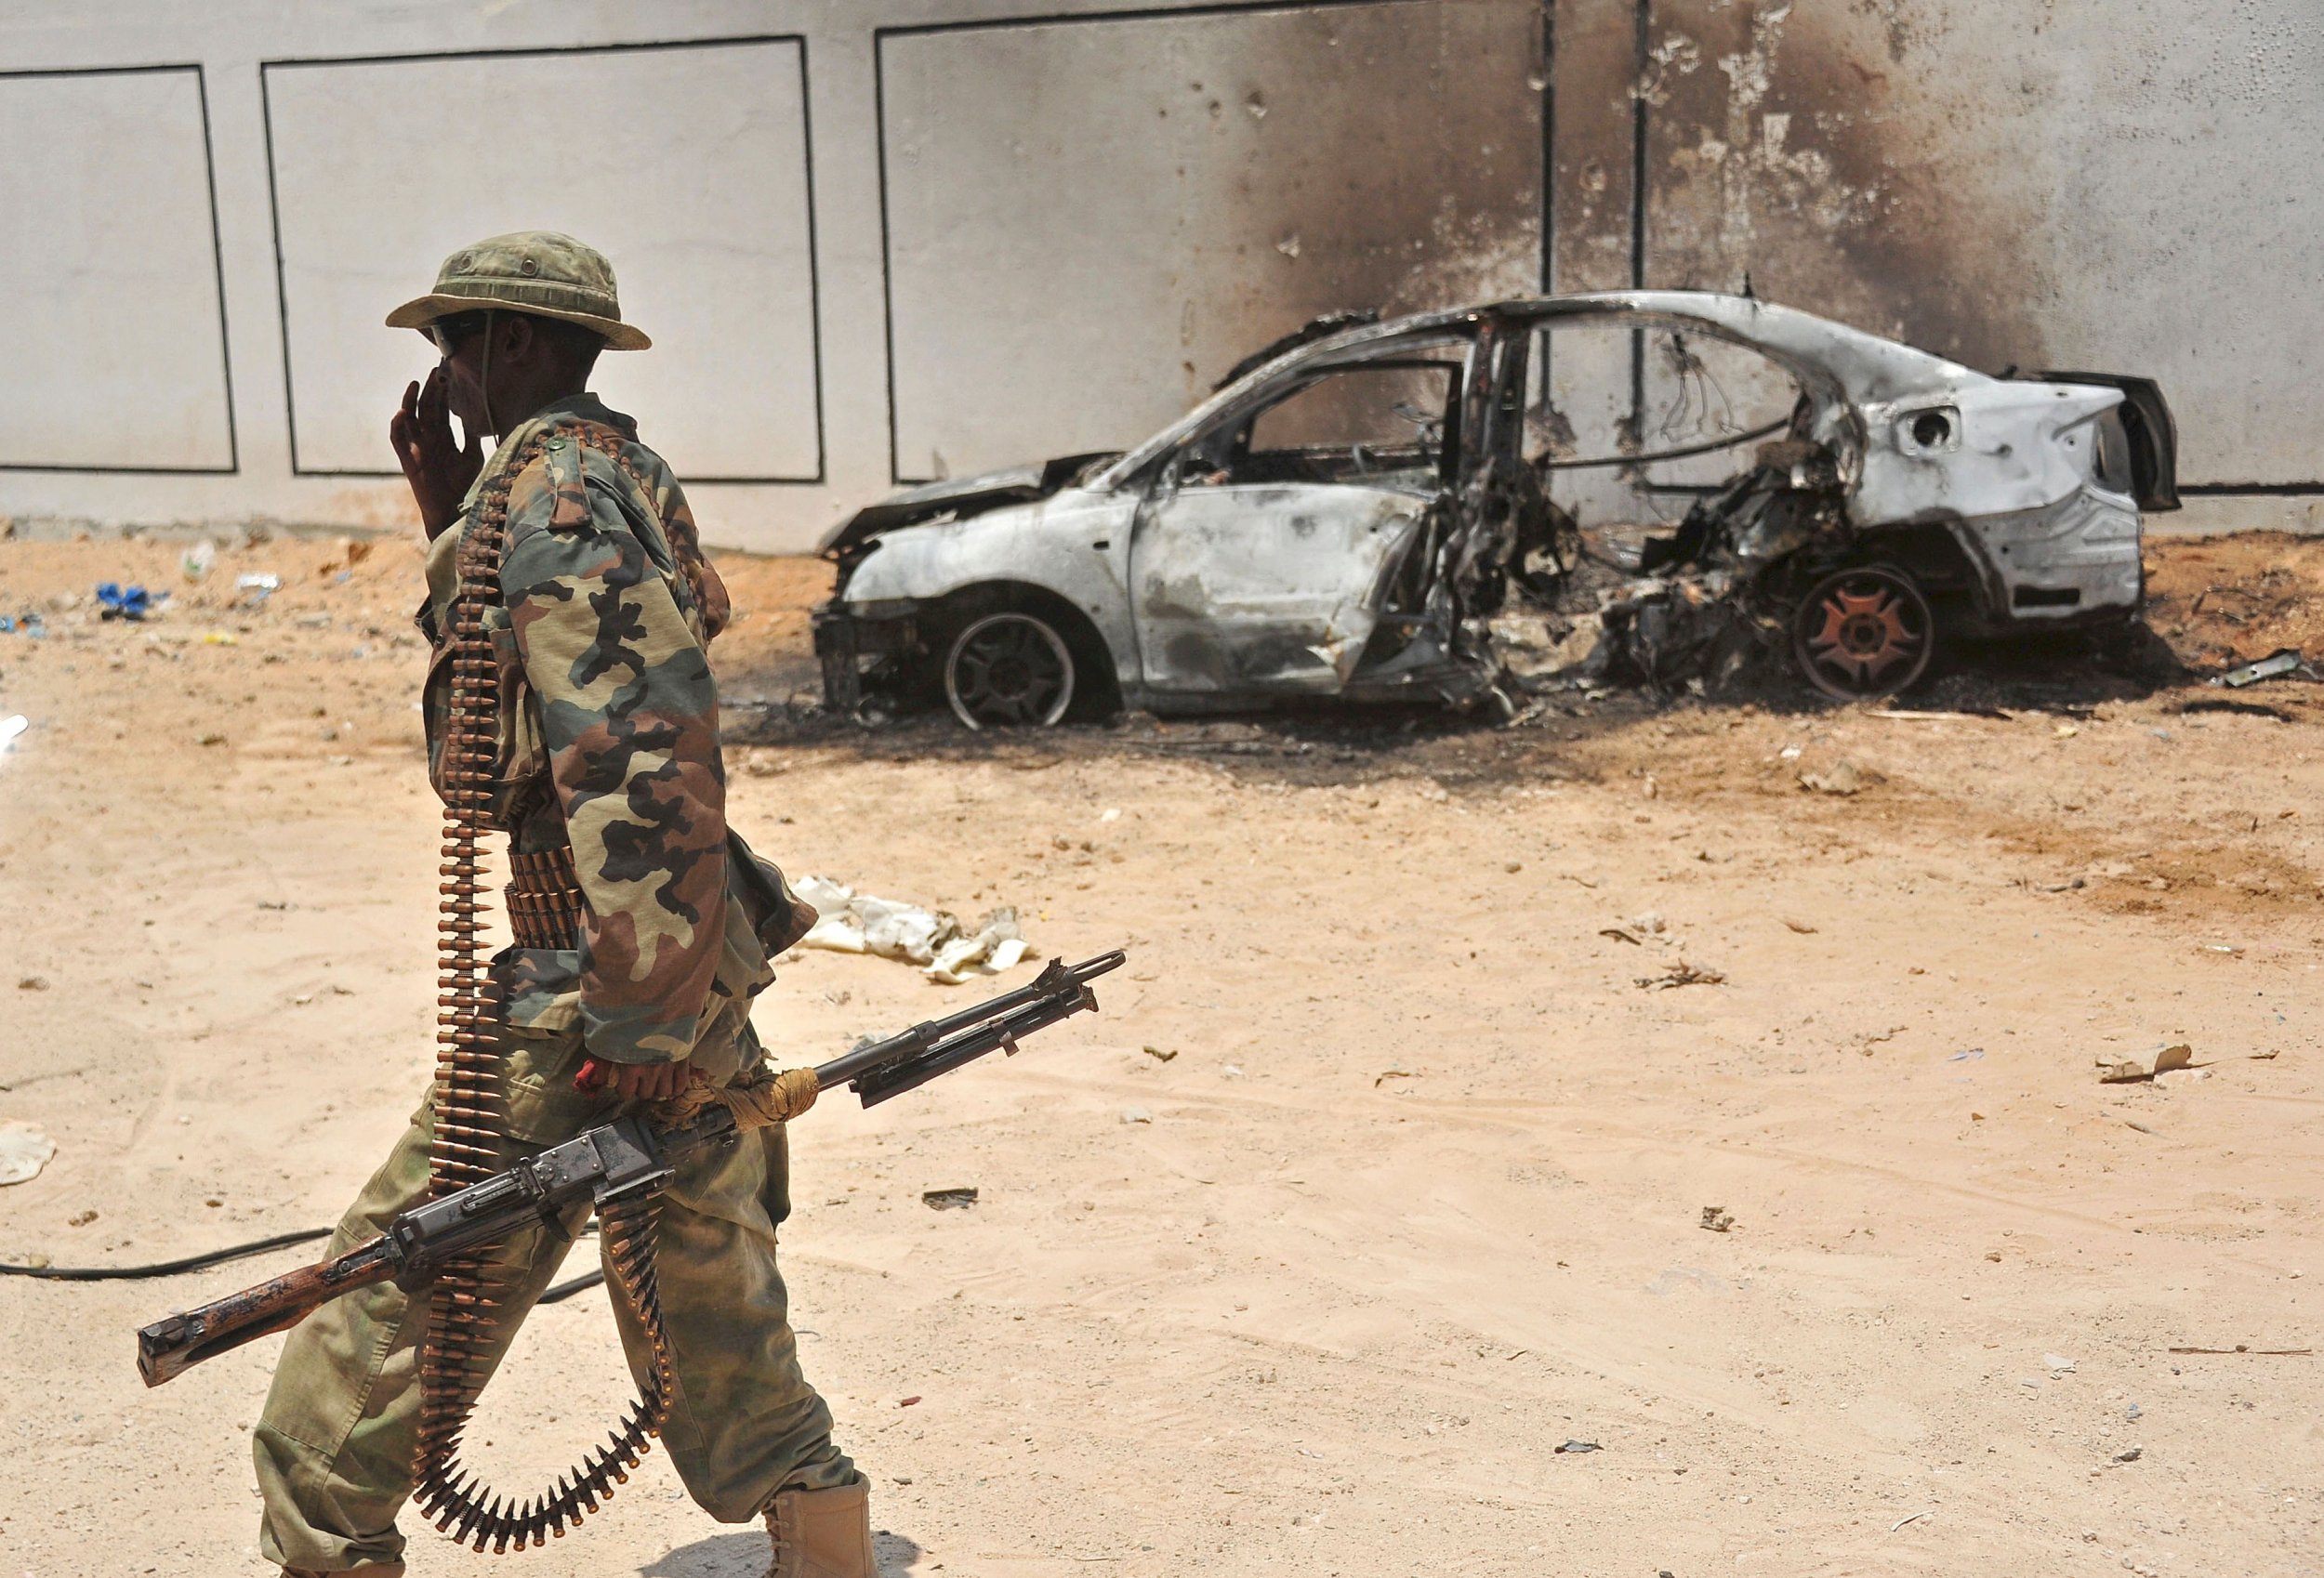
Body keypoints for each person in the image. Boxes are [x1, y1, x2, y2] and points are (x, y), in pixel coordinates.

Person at [252, 231, 873, 1578]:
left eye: (454, 346)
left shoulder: (555, 501)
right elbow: (517, 697)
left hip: (598, 964)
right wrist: (447, 528)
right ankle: (822, 1530)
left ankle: (325, 1541)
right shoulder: (587, 477)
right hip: (667, 960)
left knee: (403, 1278)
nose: (443, 379)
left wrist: (636, 1023)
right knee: (708, 1274)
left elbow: (639, 752)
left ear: (516, 345)